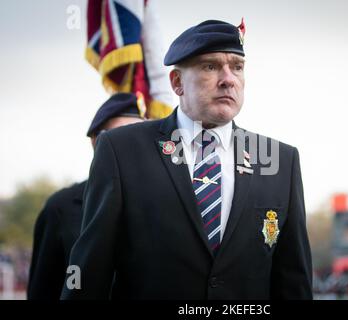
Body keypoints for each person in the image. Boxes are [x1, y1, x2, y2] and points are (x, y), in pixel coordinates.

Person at [61, 19, 312, 300]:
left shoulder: (280, 160)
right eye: (211, 66)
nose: (228, 78)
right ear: (177, 82)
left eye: (237, 67)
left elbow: (293, 280)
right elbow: (90, 269)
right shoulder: (122, 150)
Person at [27, 93, 145, 299]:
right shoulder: (61, 207)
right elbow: (43, 289)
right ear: (97, 142)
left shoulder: (168, 201)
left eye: (141, 135)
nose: (133, 144)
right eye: (123, 134)